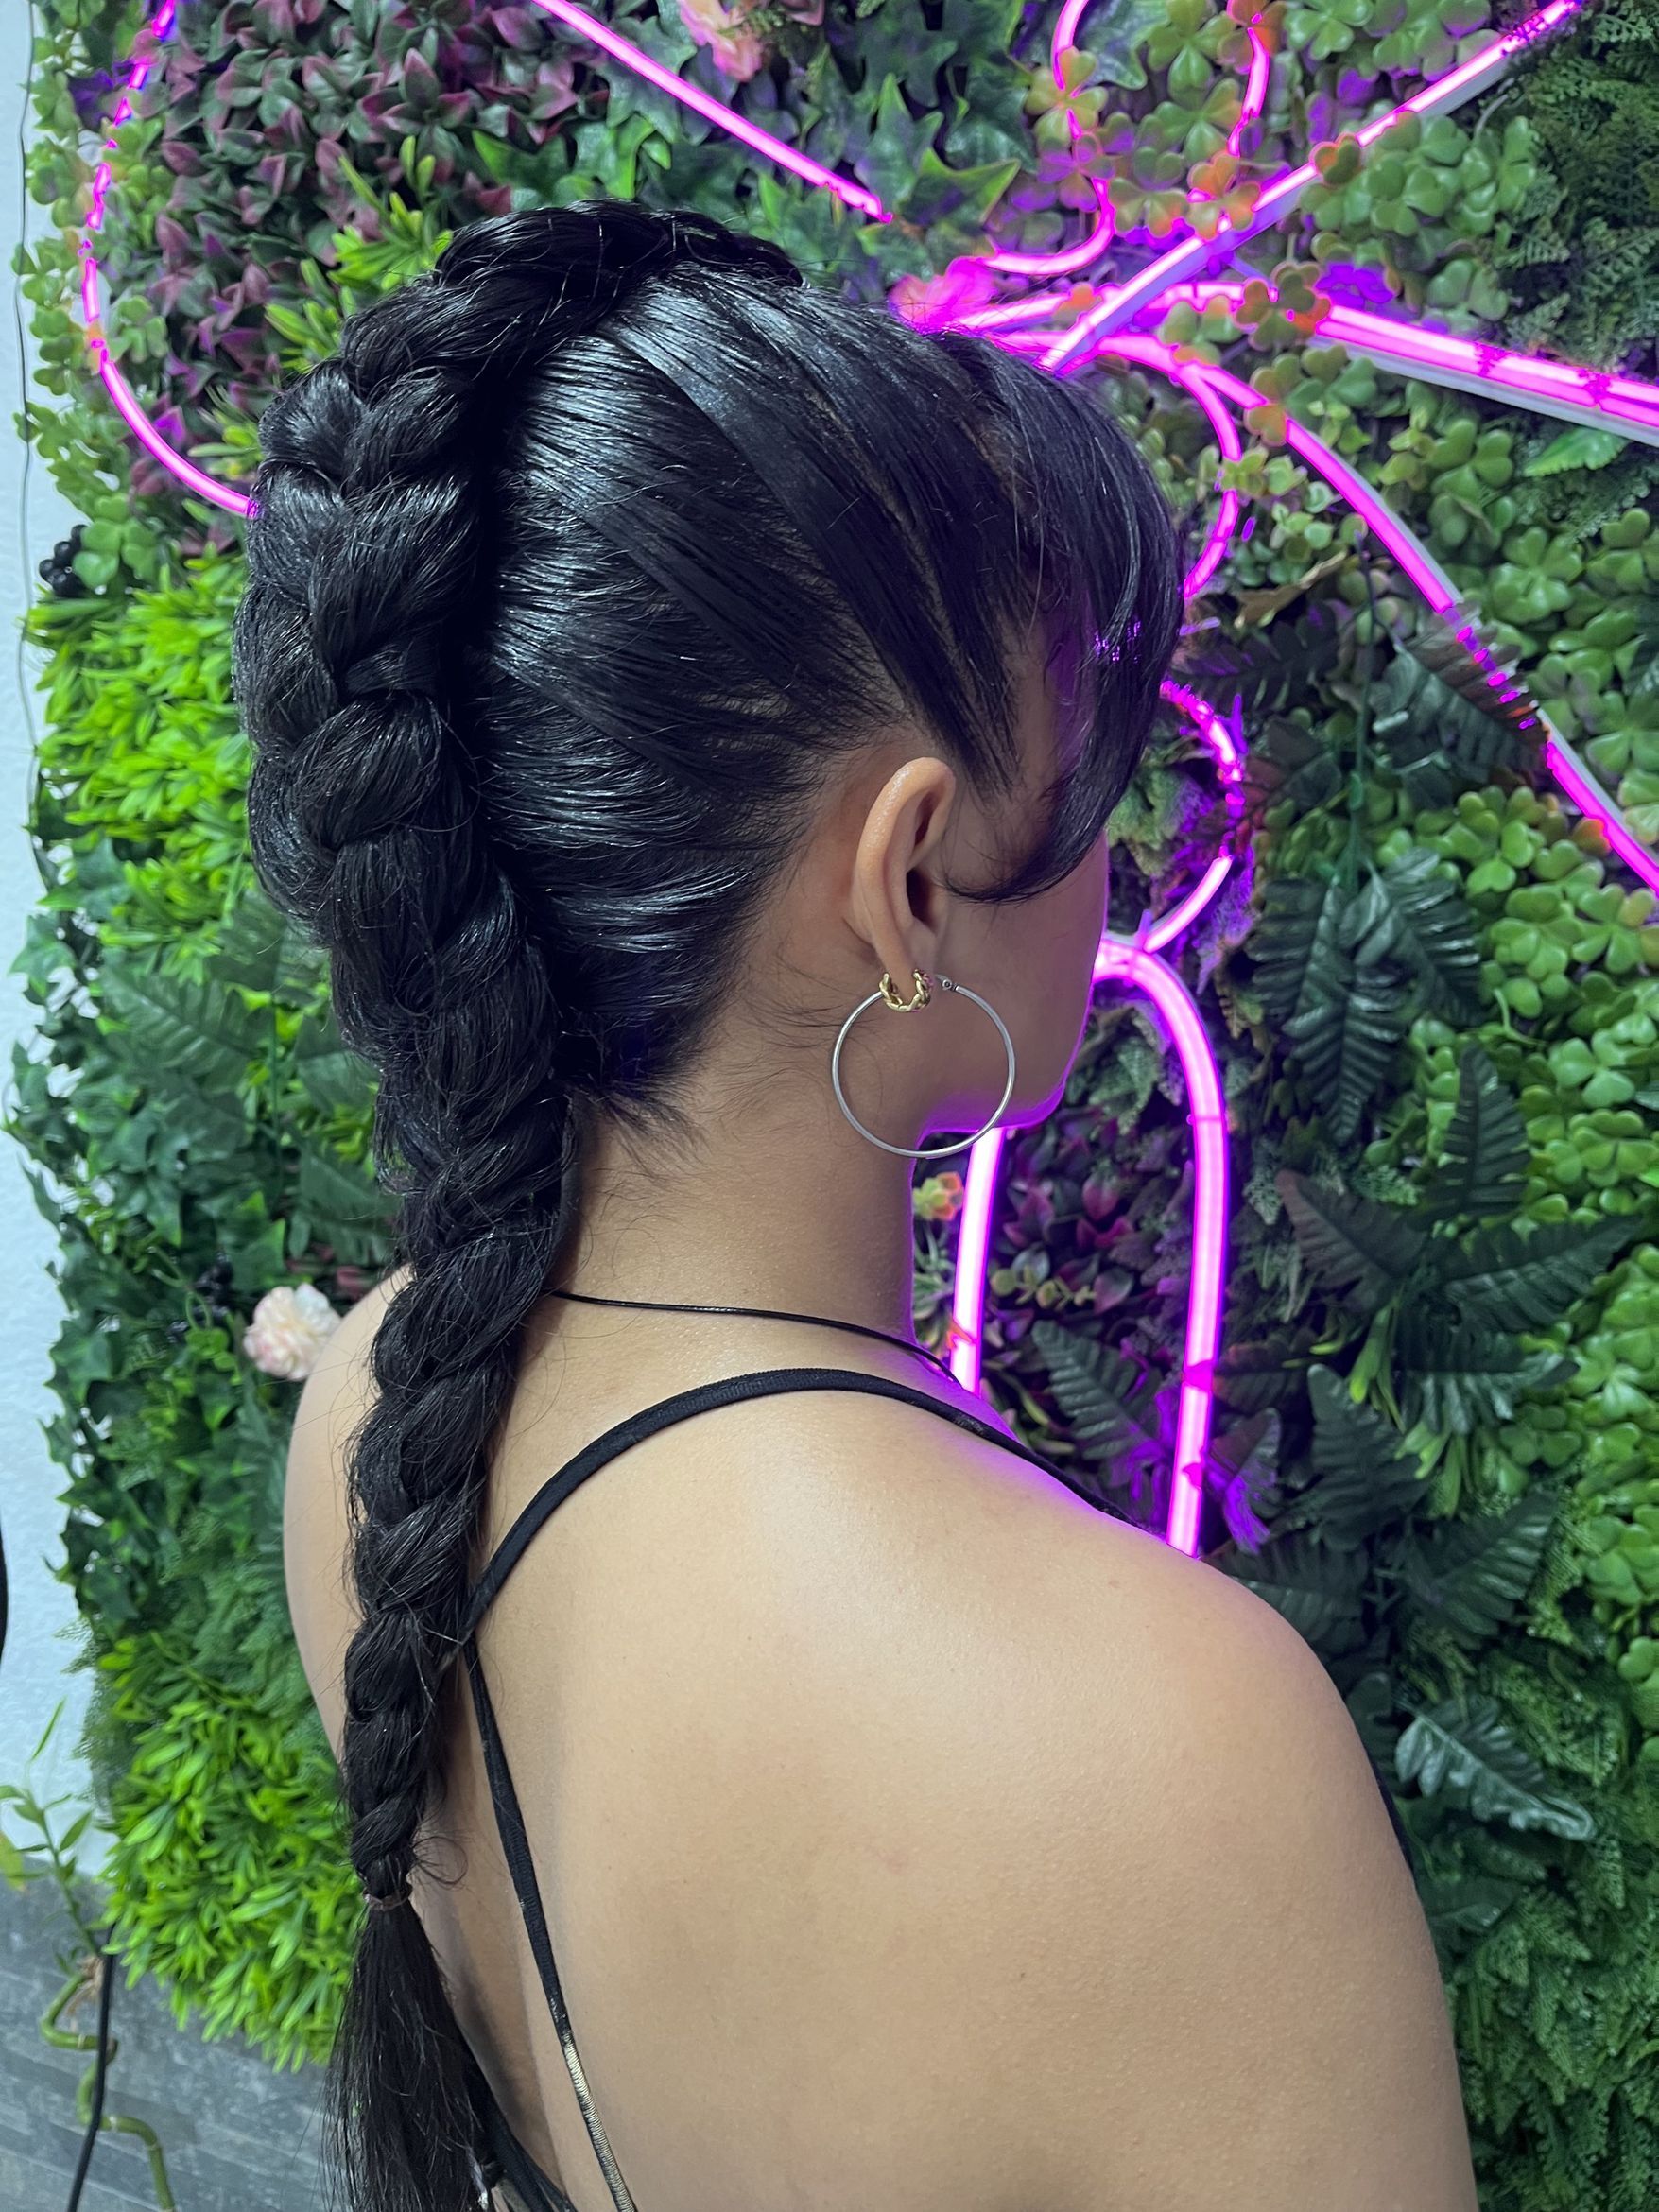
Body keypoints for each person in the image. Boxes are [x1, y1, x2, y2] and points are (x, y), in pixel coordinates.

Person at [245, 199, 1479, 2212]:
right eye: (1097, 786)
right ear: (906, 883)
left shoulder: (373, 1413)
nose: (1122, 867)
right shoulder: (1156, 1755)